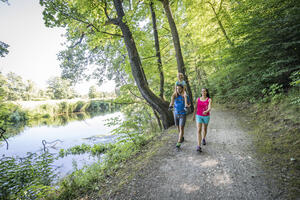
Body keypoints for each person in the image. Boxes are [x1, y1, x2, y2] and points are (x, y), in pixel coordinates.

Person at [169, 84, 187, 148]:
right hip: (176, 113)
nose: (178, 90)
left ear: (182, 89)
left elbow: (188, 103)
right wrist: (170, 106)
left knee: (181, 127)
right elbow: (171, 102)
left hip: (182, 113)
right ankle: (181, 137)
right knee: (178, 127)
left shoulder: (185, 96)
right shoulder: (174, 95)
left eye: (179, 88)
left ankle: (179, 142)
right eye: (177, 88)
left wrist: (186, 106)